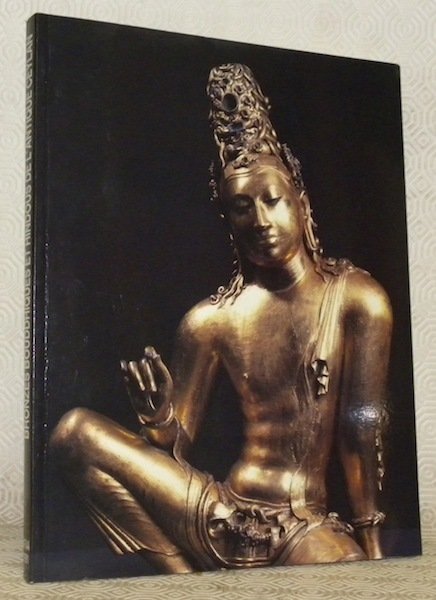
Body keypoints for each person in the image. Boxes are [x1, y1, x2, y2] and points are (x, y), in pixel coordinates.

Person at [50, 63, 392, 573]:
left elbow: (359, 433)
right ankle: (182, 580)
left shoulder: (356, 298)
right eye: (241, 207)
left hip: (301, 527)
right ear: (228, 221)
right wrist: (159, 418)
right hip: (218, 512)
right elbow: (174, 450)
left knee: (340, 578)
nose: (260, 220)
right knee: (73, 433)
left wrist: (374, 551)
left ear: (301, 204)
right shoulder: (211, 319)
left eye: (273, 200)